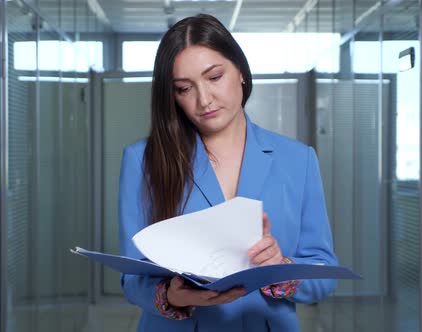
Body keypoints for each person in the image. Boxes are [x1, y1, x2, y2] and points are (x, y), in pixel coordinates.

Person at [118, 13, 337, 332]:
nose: (203, 99)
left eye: (214, 77)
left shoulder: (297, 159)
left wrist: (279, 267)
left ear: (241, 73)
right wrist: (172, 296)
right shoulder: (143, 160)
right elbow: (133, 278)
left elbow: (324, 274)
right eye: (184, 88)